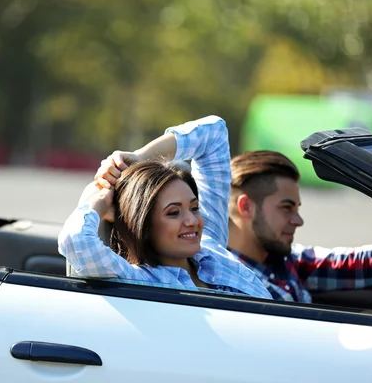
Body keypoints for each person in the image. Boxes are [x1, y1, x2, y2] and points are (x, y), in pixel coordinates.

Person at [58, 115, 272, 299]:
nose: (193, 221)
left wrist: (140, 157)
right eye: (174, 213)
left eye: (195, 208)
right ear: (143, 225)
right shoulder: (138, 281)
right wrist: (101, 200)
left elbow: (214, 132)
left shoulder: (210, 245)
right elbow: (74, 241)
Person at [227, 150, 372, 302]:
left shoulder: (285, 261)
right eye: (286, 208)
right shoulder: (224, 283)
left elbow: (356, 263)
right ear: (246, 207)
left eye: (297, 209)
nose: (298, 220)